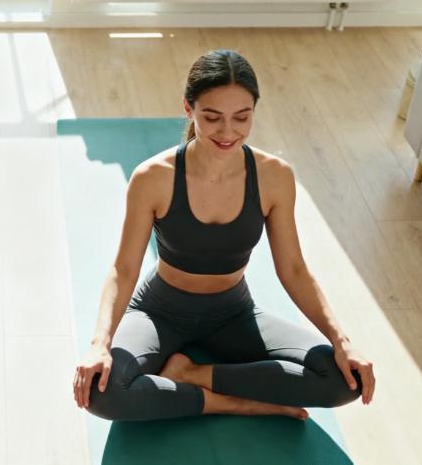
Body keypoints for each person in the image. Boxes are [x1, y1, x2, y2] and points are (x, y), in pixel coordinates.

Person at [73, 49, 375, 421]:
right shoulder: (154, 177)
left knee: (346, 380)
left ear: (254, 111)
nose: (228, 132)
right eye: (212, 118)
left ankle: (192, 376)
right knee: (102, 392)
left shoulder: (274, 176)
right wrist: (99, 344)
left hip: (233, 313)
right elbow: (123, 270)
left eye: (242, 117)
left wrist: (343, 342)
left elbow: (294, 269)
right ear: (188, 108)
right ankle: (231, 402)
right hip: (159, 311)